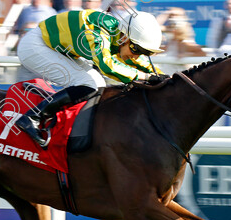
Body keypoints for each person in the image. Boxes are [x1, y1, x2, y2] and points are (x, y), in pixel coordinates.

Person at [15, 9, 164, 146]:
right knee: (88, 83)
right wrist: (145, 76)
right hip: (36, 46)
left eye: (144, 52)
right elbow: (107, 66)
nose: (137, 54)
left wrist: (158, 74)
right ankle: (32, 118)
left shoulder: (119, 35)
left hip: (56, 48)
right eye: (136, 49)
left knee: (97, 83)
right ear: (124, 37)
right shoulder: (97, 31)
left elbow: (133, 59)